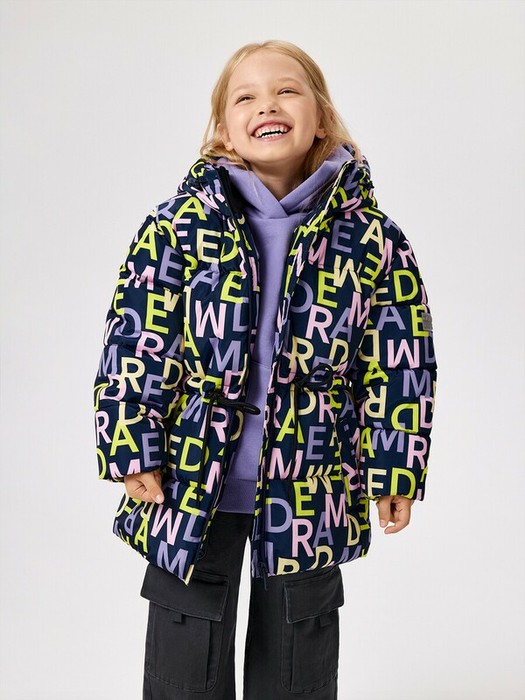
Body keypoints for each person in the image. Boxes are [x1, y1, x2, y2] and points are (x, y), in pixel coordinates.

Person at [93, 39, 438, 700]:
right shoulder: (176, 228)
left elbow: (400, 363)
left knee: (298, 645)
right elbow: (135, 342)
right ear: (223, 130)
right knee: (184, 640)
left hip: (312, 477)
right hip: (191, 471)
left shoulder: (373, 240)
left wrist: (395, 468)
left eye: (286, 91)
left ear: (321, 118)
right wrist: (132, 444)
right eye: (245, 97)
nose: (266, 105)